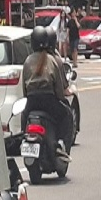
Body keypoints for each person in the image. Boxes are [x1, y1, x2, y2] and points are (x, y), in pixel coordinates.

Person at [22, 26, 74, 160]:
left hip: (32, 102)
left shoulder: (27, 61)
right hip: (48, 101)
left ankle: (24, 138)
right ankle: (61, 144)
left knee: (24, 117)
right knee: (67, 115)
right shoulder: (52, 60)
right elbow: (58, 86)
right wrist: (61, 99)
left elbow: (24, 88)